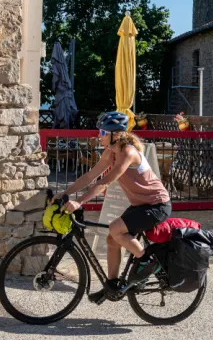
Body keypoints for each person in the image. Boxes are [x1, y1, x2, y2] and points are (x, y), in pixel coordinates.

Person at [63, 111, 171, 304]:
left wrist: (80, 202)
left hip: (157, 204)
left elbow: (104, 182)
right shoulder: (110, 152)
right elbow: (90, 176)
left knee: (115, 228)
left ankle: (148, 262)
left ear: (116, 134)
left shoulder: (128, 153)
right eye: (100, 131)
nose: (99, 136)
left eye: (103, 132)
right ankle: (111, 286)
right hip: (141, 205)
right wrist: (65, 194)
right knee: (112, 240)